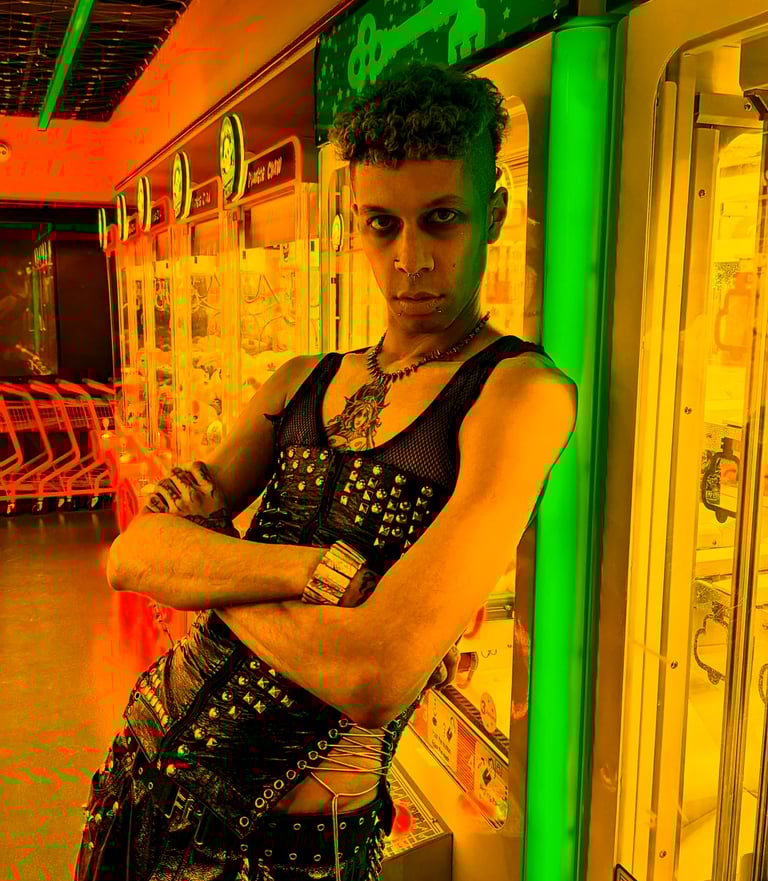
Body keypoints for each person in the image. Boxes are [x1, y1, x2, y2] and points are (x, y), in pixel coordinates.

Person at [75, 60, 577, 881]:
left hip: (287, 855)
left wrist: (207, 562)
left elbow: (372, 674)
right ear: (355, 222)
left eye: (441, 219)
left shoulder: (518, 394)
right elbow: (132, 555)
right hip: (140, 778)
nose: (410, 259)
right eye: (384, 224)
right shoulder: (300, 379)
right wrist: (304, 571)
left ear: (493, 214)